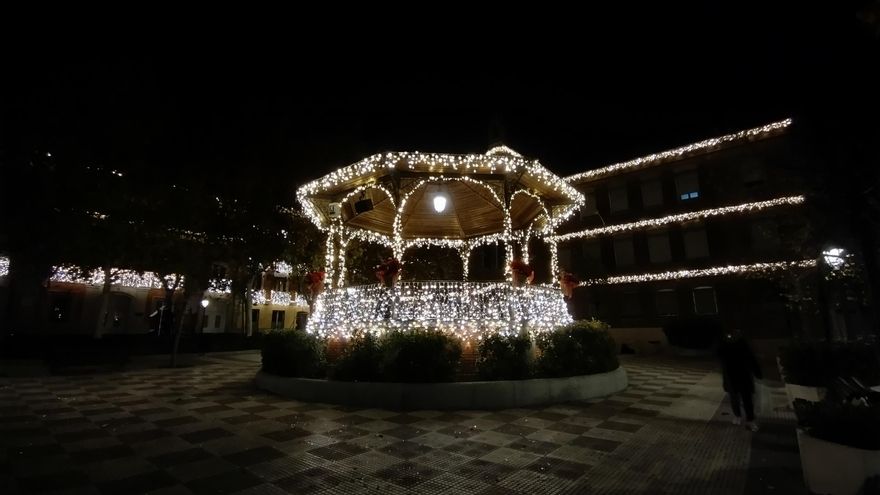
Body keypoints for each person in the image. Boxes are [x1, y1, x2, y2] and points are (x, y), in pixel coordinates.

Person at [718, 327, 763, 431]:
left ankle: (750, 420)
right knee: (735, 399)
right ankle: (738, 416)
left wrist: (757, 372)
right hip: (733, 377)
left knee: (746, 399)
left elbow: (751, 359)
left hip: (743, 376)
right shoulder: (723, 346)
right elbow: (723, 364)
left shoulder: (742, 345)